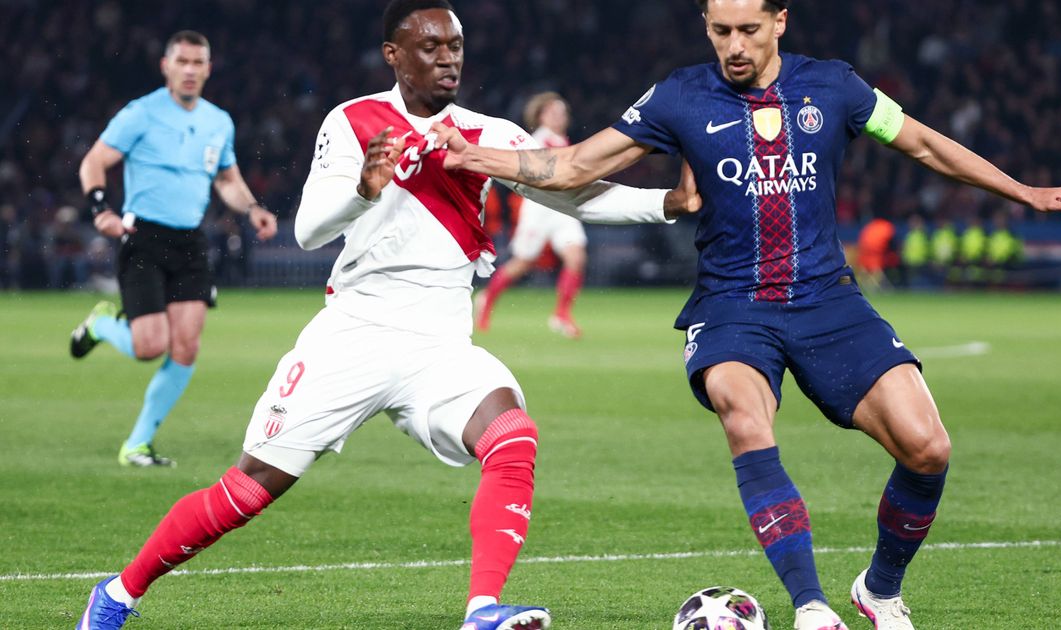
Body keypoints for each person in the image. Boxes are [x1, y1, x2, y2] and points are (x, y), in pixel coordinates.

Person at [430, 0, 1061, 627]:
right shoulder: (679, 96)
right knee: (744, 416)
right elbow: (573, 165)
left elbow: (922, 143)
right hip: (731, 304)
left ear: (780, 21)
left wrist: (1022, 191)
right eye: (721, 31)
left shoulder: (834, 86)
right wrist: (472, 156)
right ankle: (811, 607)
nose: (734, 46)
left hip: (827, 298)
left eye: (748, 29)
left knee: (928, 448)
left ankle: (879, 590)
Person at [75, 2, 698, 629]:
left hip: (440, 345)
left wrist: (667, 202)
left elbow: (575, 195)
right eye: (431, 47)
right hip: (355, 335)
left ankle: (482, 610)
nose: (448, 58)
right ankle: (118, 593)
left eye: (455, 45)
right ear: (393, 56)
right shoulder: (353, 121)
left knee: (513, 435)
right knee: (248, 489)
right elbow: (308, 230)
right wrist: (363, 190)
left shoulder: (487, 134)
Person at [69, 30, 278, 467]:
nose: (189, 70)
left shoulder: (218, 121)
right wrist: (100, 209)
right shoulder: (140, 113)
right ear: (166, 66)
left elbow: (227, 179)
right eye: (181, 61)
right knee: (149, 347)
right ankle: (102, 324)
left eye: (197, 63)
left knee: (185, 348)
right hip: (144, 237)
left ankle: (137, 445)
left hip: (190, 243)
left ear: (208, 69)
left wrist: (252, 208)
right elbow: (94, 161)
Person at [475, 92, 589, 338]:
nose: (559, 117)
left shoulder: (562, 141)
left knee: (576, 257)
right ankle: (487, 299)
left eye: (562, 112)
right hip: (539, 209)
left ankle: (561, 314)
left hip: (562, 209)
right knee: (523, 262)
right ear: (541, 116)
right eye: (553, 112)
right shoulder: (537, 141)